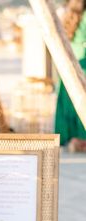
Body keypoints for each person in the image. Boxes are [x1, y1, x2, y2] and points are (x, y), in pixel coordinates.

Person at [55, 0, 86, 150]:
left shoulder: (68, 14)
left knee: (68, 102)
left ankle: (68, 137)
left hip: (69, 65)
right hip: (83, 66)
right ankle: (81, 138)